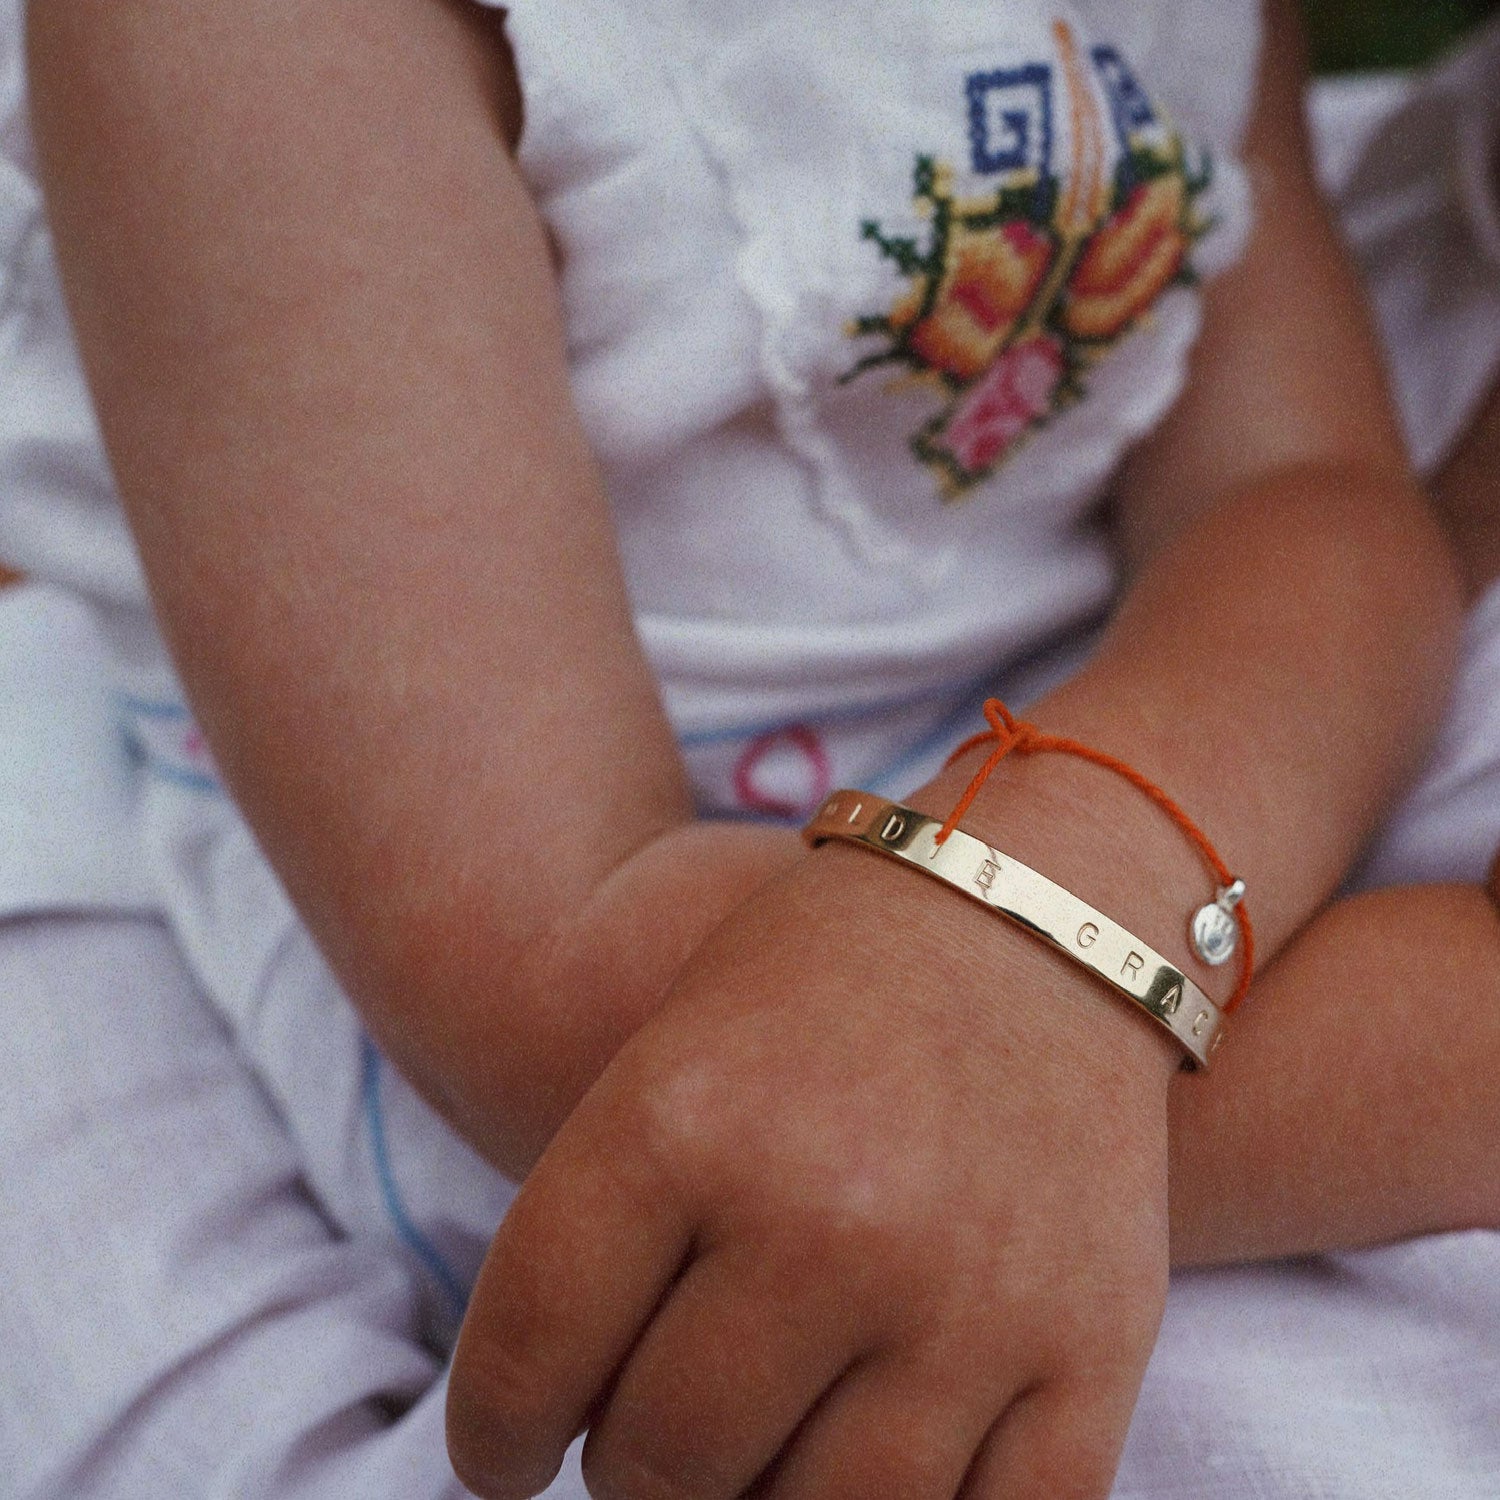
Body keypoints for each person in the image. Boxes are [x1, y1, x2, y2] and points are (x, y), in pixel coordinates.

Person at [2, 0, 1498, 1496]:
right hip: (543, 1019)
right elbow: (553, 986)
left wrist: (1090, 854)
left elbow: (1303, 490)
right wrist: (1436, 1061)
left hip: (1074, 786)